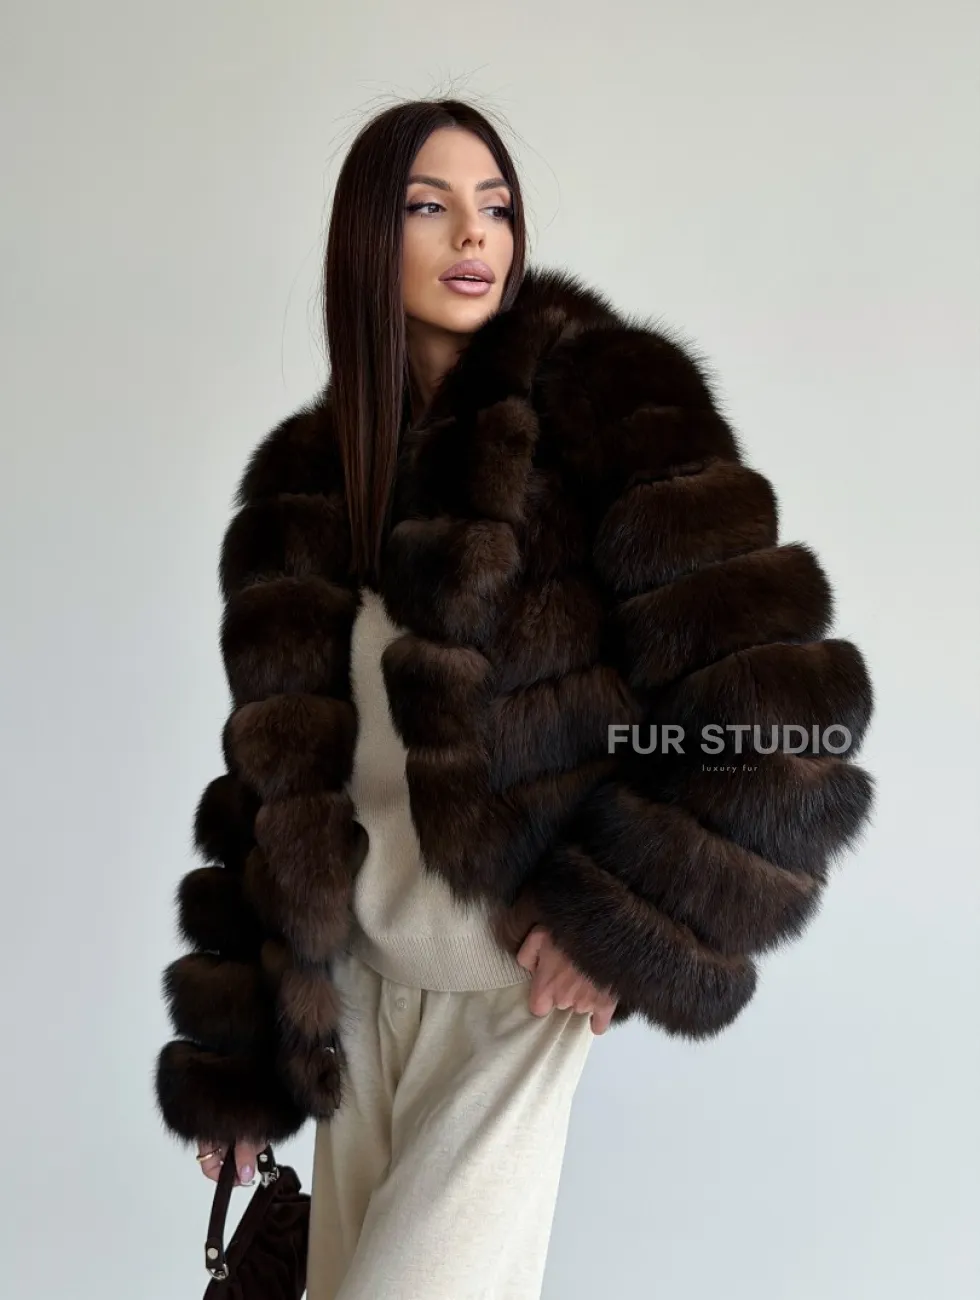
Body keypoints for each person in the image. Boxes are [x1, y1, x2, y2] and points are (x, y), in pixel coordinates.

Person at [154, 98, 875, 1299]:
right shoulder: (302, 488)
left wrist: (622, 924)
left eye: (492, 205)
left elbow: (780, 713)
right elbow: (264, 793)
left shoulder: (605, 403)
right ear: (364, 242)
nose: (472, 233)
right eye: (427, 206)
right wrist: (239, 1068)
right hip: (354, 1006)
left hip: (507, 997)